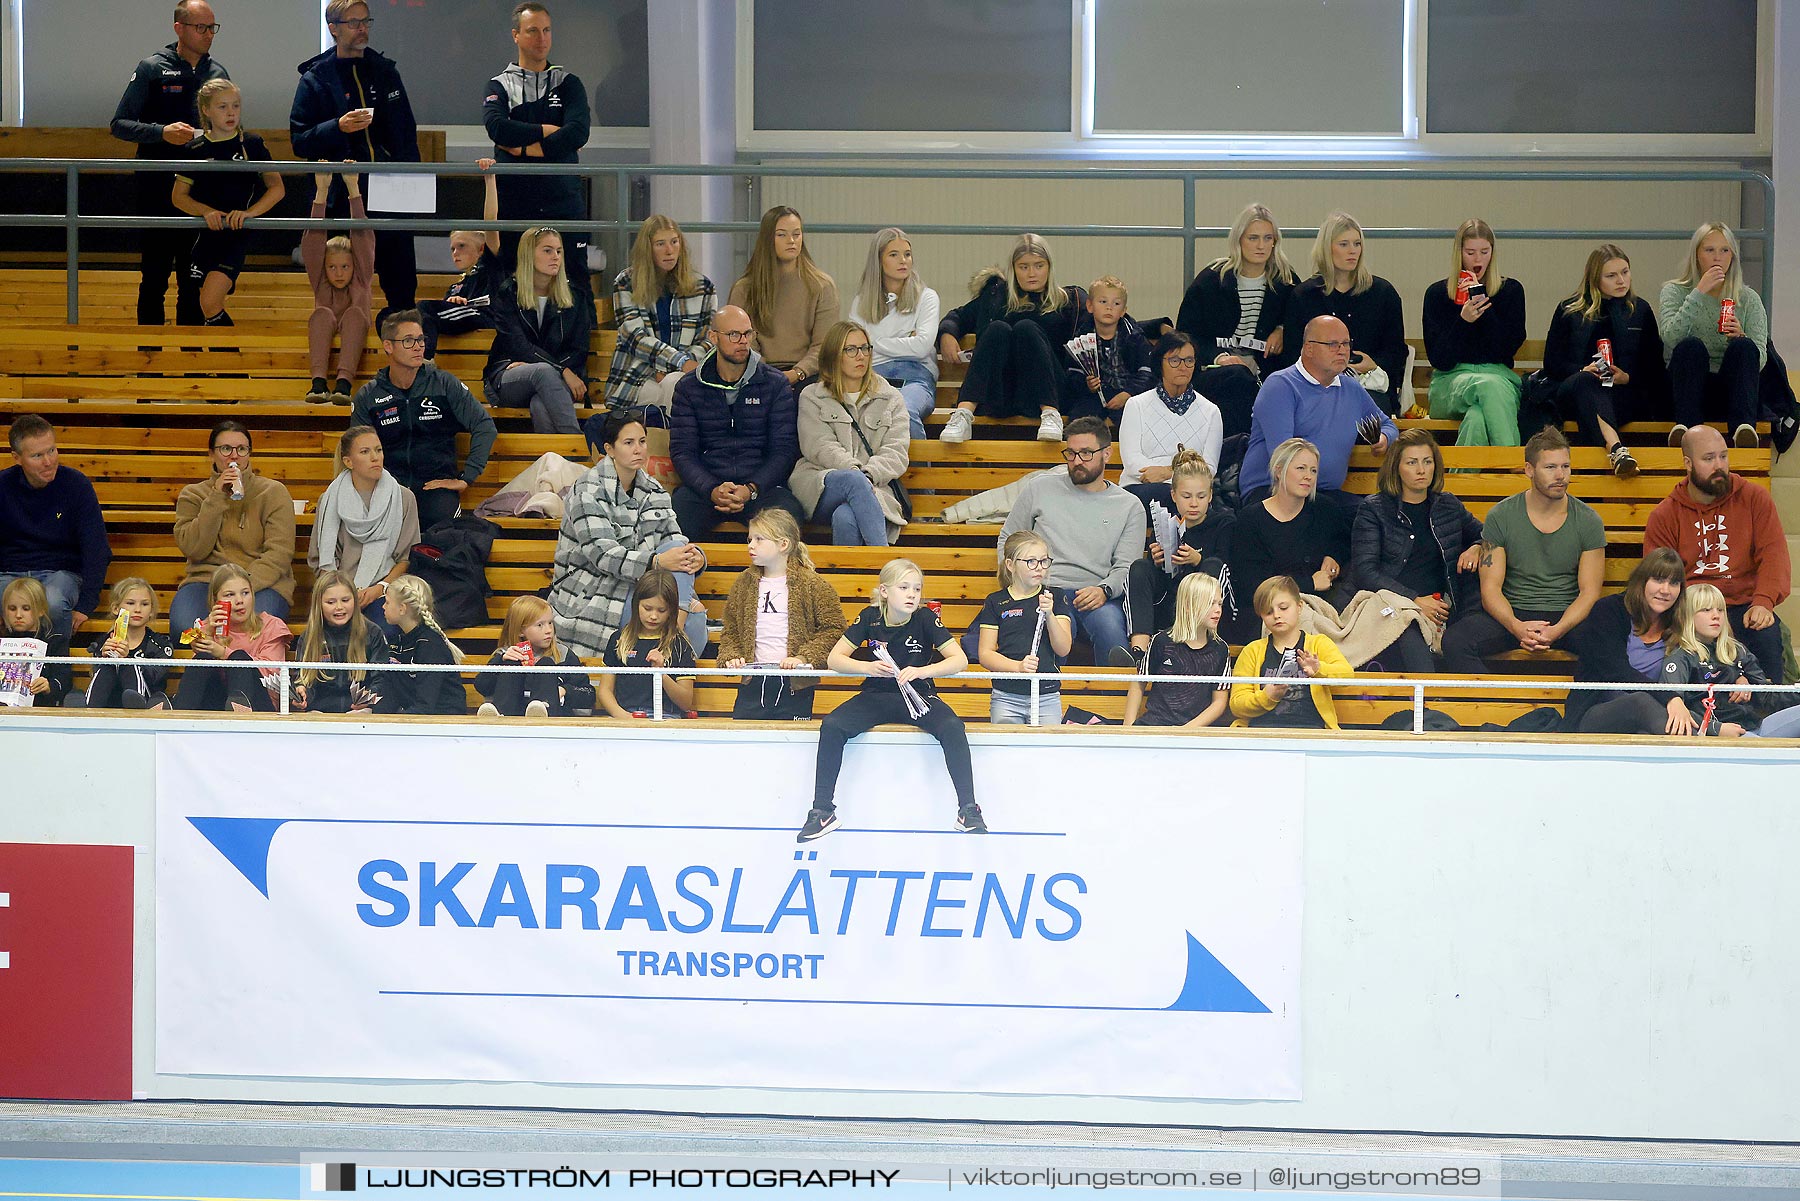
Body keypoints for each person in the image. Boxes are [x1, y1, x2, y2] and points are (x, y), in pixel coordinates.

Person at [800, 559, 986, 842]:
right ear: (885, 591)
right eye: (904, 587)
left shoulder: (925, 618)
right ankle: (823, 811)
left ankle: (968, 810)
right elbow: (834, 658)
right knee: (832, 725)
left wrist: (923, 671)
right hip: (877, 694)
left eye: (917, 588)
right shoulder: (870, 617)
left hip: (918, 696)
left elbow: (959, 660)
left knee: (952, 727)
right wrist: (867, 667)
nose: (912, 594)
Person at [290, 0, 422, 324]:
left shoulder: (385, 71)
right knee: (343, 280)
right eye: (353, 23)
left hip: (390, 187)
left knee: (401, 275)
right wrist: (338, 127)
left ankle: (404, 348)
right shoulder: (315, 79)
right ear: (333, 29)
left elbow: (407, 131)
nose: (362, 28)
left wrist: (411, 182)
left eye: (366, 21)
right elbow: (299, 140)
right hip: (343, 196)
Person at [1441, 427, 1605, 675]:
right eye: (1550, 467)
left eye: (1565, 467)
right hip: (1513, 613)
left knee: (1606, 646)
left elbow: (1589, 593)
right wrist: (1517, 627)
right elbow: (1490, 590)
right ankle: (1493, 707)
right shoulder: (1501, 515)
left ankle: (1580, 710)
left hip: (1566, 616)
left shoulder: (1589, 520)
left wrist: (1557, 630)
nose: (1560, 475)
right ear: (1529, 469)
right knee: (1455, 641)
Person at [551, 410, 708, 662]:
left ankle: (670, 651)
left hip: (642, 586)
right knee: (692, 615)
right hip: (593, 588)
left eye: (642, 441)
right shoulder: (587, 489)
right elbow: (602, 555)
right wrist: (656, 562)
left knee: (696, 617)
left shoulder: (655, 490)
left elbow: (674, 540)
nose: (639, 449)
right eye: (628, 443)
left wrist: (696, 558)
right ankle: (671, 643)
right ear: (609, 449)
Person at [1642, 424, 1790, 681]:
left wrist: (1764, 602)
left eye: (1723, 456)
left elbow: (1774, 555)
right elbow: (1660, 578)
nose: (1719, 465)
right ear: (1688, 463)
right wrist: (1700, 613)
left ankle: (1771, 715)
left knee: (1766, 633)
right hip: (1690, 608)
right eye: (1708, 459)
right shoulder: (1665, 515)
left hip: (1744, 605)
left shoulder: (1755, 498)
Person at [111, 0, 226, 325]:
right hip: (157, 190)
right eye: (200, 27)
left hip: (202, 192)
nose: (208, 35)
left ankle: (189, 365)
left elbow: (232, 124)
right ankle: (151, 366)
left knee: (193, 282)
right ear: (179, 28)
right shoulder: (152, 68)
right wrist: (162, 133)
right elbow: (120, 124)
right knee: (154, 280)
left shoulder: (217, 73)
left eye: (211, 28)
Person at [996, 416, 1144, 665]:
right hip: (1043, 590)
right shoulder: (1040, 488)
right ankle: (1045, 700)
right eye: (1071, 453)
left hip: (1098, 594)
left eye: (1086, 453)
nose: (1076, 461)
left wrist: (1105, 590)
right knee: (1047, 632)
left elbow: (1126, 567)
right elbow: (1008, 539)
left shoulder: (1130, 506)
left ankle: (1113, 702)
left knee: (1110, 631)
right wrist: (1020, 585)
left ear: (1107, 454)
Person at [484, 1, 594, 318]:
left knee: (576, 282)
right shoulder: (499, 85)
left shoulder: (568, 82)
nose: (542, 38)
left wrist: (527, 149)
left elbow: (577, 132)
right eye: (533, 31)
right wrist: (546, 130)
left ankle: (579, 359)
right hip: (516, 200)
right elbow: (497, 128)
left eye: (547, 31)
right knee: (513, 284)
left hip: (564, 199)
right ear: (516, 35)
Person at [1348, 429, 1485, 674]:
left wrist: (1476, 547)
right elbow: (1364, 571)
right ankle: (1429, 704)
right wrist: (1412, 599)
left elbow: (1486, 534)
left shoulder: (1448, 505)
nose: (1421, 470)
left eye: (1427, 461)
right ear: (1396, 468)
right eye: (1412, 462)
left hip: (1439, 606)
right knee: (1408, 630)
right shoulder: (1374, 509)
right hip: (1390, 605)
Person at [350, 310, 498, 530]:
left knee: (443, 540)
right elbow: (357, 447)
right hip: (389, 487)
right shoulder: (369, 396)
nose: (419, 346)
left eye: (420, 339)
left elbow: (485, 426)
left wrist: (466, 478)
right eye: (409, 341)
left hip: (436, 488)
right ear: (388, 346)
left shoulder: (444, 384)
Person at [936, 233, 1090, 443]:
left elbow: (1113, 320)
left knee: (1026, 328)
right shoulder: (996, 296)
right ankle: (963, 415)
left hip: (1046, 394)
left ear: (1049, 267)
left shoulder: (1068, 300)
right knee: (997, 328)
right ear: (1013, 269)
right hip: (1001, 396)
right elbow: (958, 316)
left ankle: (1050, 414)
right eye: (1024, 267)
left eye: (1038, 265)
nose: (1031, 273)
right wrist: (947, 333)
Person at [667, 305, 805, 540]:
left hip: (760, 488)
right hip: (706, 488)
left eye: (748, 334)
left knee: (788, 516)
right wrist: (711, 489)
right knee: (674, 519)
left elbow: (784, 450)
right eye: (734, 335)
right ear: (713, 337)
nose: (743, 341)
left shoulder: (774, 384)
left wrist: (751, 489)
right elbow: (683, 452)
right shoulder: (689, 387)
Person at [1239, 315, 1395, 513]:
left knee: (1373, 519)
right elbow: (1284, 458)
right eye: (1332, 344)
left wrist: (1383, 438)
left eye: (1346, 344)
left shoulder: (1352, 389)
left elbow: (1388, 425)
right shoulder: (1281, 386)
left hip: (1325, 493)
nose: (1342, 350)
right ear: (1309, 348)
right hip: (1273, 491)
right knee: (1326, 519)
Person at [1175, 203, 1298, 438]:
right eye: (1253, 238)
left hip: (1266, 370)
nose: (1261, 246)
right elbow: (1186, 336)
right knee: (1239, 381)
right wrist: (1219, 357)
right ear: (1239, 240)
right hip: (1215, 369)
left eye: (1267, 238)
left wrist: (1283, 328)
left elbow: (1302, 320)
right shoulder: (1212, 280)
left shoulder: (1286, 280)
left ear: (1275, 241)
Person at [1542, 244, 1665, 476]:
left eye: (1625, 272)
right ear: (1595, 278)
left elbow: (1654, 367)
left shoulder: (1640, 310)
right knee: (1587, 382)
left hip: (1621, 392)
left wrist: (1626, 377)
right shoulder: (1569, 309)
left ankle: (1612, 454)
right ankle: (1616, 448)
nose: (1621, 280)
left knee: (1596, 401)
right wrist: (1582, 369)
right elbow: (1552, 363)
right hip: (1575, 389)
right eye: (1611, 275)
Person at [171, 79, 284, 327]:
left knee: (210, 302)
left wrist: (250, 213)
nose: (231, 112)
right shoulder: (195, 148)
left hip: (234, 234)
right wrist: (206, 212)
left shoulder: (252, 145)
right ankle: (208, 364)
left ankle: (233, 366)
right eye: (222, 107)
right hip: (202, 236)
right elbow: (178, 196)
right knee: (193, 305)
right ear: (206, 110)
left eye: (235, 106)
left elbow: (277, 188)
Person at [717, 509, 845, 721]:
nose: (751, 545)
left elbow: (833, 629)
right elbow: (730, 631)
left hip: (795, 682)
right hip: (753, 679)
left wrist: (803, 657)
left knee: (792, 744)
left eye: (759, 539)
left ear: (783, 544)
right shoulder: (743, 583)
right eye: (750, 539)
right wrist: (732, 657)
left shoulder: (813, 584)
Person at [790, 321, 910, 547]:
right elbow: (819, 446)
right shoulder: (812, 396)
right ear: (834, 355)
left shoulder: (890, 398)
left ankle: (848, 579)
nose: (861, 356)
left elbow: (897, 451)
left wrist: (869, 474)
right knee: (852, 480)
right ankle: (886, 566)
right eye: (851, 350)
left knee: (845, 517)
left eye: (865, 348)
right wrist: (856, 472)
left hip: (876, 486)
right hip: (822, 484)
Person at [170, 422, 295, 638]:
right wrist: (216, 498)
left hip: (261, 582)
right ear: (212, 454)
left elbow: (279, 553)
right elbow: (194, 549)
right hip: (207, 582)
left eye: (242, 449)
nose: (234, 456)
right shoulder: (193, 495)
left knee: (250, 628)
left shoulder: (273, 492)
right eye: (226, 449)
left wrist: (241, 589)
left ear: (249, 453)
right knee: (185, 628)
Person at [1281, 211, 1408, 414]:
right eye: (1344, 244)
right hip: (1315, 388)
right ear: (1327, 248)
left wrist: (1372, 365)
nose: (1353, 251)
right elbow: (1293, 354)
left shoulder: (1383, 293)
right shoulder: (1304, 296)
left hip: (1369, 387)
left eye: (1357, 244)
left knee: (1363, 409)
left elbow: (1396, 352)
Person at [1659, 222, 1769, 450]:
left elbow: (1760, 358)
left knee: (1745, 346)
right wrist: (1698, 293)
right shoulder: (1674, 291)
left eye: (1725, 250)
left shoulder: (1748, 298)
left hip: (1732, 390)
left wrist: (1740, 335)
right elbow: (1669, 338)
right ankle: (1686, 429)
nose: (1717, 257)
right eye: (1709, 250)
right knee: (1691, 346)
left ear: (1733, 257)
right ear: (1697, 255)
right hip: (1687, 386)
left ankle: (1743, 430)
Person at [1227, 438, 1349, 645]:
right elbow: (1252, 584)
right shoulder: (1250, 519)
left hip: (1321, 606)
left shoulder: (1327, 510)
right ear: (1278, 471)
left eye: (1313, 471)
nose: (1308, 476)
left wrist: (1334, 557)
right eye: (1300, 468)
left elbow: (1345, 544)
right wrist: (1309, 583)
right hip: (1269, 612)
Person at [1121, 448, 1236, 665]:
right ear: (1173, 495)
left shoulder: (1225, 523)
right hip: (1169, 602)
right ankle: (1139, 651)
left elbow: (1229, 572)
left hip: (1214, 610)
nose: (1194, 503)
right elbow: (1153, 580)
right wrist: (1155, 561)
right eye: (1186, 496)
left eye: (1201, 496)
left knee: (1212, 566)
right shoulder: (1165, 523)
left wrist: (1198, 560)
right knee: (1140, 567)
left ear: (1210, 496)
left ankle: (1205, 646)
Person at [0, 415, 110, 640]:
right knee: (13, 602)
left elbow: (96, 549)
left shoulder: (76, 485)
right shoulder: (3, 486)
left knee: (53, 602)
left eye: (52, 451)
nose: (49, 461)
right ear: (16, 458)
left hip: (60, 573)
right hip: (9, 573)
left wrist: (86, 605)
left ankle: (57, 674)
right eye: (37, 455)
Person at [1422, 218, 1527, 446]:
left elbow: (1506, 349)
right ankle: (1513, 465)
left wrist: (1480, 301)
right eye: (1470, 252)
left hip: (1499, 378)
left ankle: (1460, 481)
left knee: (1477, 419)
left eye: (1484, 251)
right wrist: (1462, 322)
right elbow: (1440, 358)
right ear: (1459, 253)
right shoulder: (1437, 294)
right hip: (1450, 384)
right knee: (1488, 386)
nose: (1478, 259)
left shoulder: (1511, 291)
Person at [310, 425, 419, 635]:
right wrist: (344, 595)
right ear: (348, 461)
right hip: (338, 591)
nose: (375, 457)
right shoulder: (329, 500)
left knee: (383, 629)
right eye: (365, 452)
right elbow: (321, 561)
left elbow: (405, 559)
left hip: (384, 591)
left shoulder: (404, 498)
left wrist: (379, 588)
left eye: (378, 450)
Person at [1562, 549, 1685, 735]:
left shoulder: (1680, 622)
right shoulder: (1608, 611)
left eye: (1673, 583)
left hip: (1652, 716)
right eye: (1658, 580)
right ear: (1641, 581)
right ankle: (1703, 746)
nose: (1665, 590)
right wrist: (1670, 697)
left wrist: (1741, 675)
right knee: (1639, 702)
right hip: (1595, 711)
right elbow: (1616, 672)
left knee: (1647, 730)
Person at [604, 215, 717, 414]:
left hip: (684, 374)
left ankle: (669, 443)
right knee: (675, 390)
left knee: (676, 385)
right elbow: (635, 338)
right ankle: (677, 444)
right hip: (638, 376)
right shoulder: (626, 282)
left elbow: (708, 340)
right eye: (660, 244)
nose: (669, 250)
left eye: (674, 242)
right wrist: (678, 363)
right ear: (647, 249)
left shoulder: (703, 287)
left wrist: (674, 368)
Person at [484, 226, 591, 434]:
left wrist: (560, 371)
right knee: (543, 372)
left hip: (558, 382)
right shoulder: (509, 293)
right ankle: (579, 451)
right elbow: (517, 346)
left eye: (559, 251)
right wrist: (562, 370)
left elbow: (579, 348)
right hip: (509, 375)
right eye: (547, 250)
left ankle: (555, 464)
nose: (555, 257)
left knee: (541, 406)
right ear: (528, 255)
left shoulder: (575, 296)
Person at [729, 207, 840, 395]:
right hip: (757, 372)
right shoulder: (745, 288)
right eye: (782, 235)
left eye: (796, 234)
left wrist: (797, 373)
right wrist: (767, 374)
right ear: (767, 239)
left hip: (809, 375)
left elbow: (824, 345)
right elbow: (742, 341)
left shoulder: (822, 286)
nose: (791, 241)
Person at [1228, 575, 1354, 730]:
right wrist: (1267, 697)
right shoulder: (1252, 651)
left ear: (1299, 607)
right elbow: (1237, 705)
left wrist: (1319, 669)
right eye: (1268, 612)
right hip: (1261, 735)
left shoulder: (1319, 643)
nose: (1277, 615)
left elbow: (1347, 675)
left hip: (1313, 733)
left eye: (1283, 608)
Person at [976, 532, 1075, 725]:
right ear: (1010, 565)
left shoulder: (1055, 595)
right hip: (1006, 696)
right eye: (1031, 561)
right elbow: (985, 654)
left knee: (1047, 752)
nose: (1039, 568)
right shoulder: (995, 601)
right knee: (1007, 752)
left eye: (1044, 561)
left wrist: (1050, 615)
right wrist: (1018, 667)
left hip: (1046, 694)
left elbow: (1063, 648)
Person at [849, 227, 939, 439]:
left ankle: (920, 473)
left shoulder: (926, 297)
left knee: (903, 411)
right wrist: (905, 339)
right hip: (871, 377)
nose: (903, 261)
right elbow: (855, 350)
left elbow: (922, 347)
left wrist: (872, 342)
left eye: (907, 254)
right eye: (894, 255)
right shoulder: (861, 302)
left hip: (916, 377)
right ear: (878, 261)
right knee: (855, 414)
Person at [1117, 332, 1222, 513]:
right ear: (1160, 363)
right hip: (1139, 488)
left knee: (1194, 503)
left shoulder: (1211, 411)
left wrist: (1169, 472)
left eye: (1189, 360)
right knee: (1172, 496)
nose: (1183, 366)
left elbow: (1209, 468)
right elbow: (1132, 462)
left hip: (1190, 493)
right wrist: (1178, 478)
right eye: (1175, 360)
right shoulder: (1136, 405)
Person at [173, 562, 293, 713]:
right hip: (217, 703)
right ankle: (177, 714)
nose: (240, 601)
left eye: (245, 593)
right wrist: (207, 630)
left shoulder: (272, 626)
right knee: (204, 658)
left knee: (240, 658)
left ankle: (240, 714)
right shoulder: (208, 625)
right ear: (216, 600)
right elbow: (186, 640)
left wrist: (224, 653)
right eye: (230, 595)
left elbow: (271, 675)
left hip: (260, 706)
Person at [301, 168, 375, 403]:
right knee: (321, 313)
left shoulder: (361, 277)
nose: (339, 273)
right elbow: (313, 241)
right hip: (327, 321)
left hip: (356, 322)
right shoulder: (321, 279)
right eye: (332, 267)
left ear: (354, 266)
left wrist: (353, 189)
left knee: (354, 314)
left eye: (345, 267)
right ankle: (318, 384)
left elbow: (363, 237)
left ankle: (343, 385)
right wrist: (321, 191)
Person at [1123, 571, 1231, 730]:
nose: (1218, 610)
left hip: (1195, 732)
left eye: (1220, 603)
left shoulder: (1221, 649)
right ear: (1188, 606)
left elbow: (1219, 702)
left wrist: (1185, 731)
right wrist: (1128, 728)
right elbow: (1139, 683)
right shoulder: (1161, 641)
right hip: (1155, 725)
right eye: (1210, 603)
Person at [417, 160, 501, 360]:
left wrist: (490, 179)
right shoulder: (458, 284)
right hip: (461, 318)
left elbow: (491, 223)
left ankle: (425, 361)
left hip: (485, 317)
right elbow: (446, 308)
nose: (455, 253)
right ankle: (425, 359)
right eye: (453, 248)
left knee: (424, 308)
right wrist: (452, 301)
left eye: (462, 246)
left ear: (481, 249)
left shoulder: (490, 266)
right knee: (412, 315)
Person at [597, 568, 699, 720]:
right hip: (624, 716)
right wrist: (622, 716)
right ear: (636, 604)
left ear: (671, 610)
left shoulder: (679, 644)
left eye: (661, 610)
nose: (653, 616)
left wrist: (660, 673)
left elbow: (685, 702)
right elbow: (605, 690)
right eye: (647, 608)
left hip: (665, 717)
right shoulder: (619, 639)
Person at [474, 595, 594, 718]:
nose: (548, 630)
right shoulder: (505, 654)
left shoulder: (563, 655)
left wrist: (565, 691)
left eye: (550, 623)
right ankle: (501, 716)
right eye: (540, 625)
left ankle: (542, 712)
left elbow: (588, 694)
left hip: (551, 723)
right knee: (512, 664)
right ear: (521, 630)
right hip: (510, 724)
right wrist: (500, 662)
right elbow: (482, 686)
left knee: (545, 663)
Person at [292, 569, 388, 715]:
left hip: (360, 711)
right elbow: (302, 678)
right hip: (319, 711)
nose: (339, 607)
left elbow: (381, 679)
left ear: (354, 600)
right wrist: (301, 692)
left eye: (345, 600)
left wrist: (368, 700)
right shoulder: (309, 636)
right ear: (319, 605)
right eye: (331, 602)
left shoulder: (373, 633)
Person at [1063, 275, 1153, 425]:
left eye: (1116, 303)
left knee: (1136, 418)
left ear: (1123, 310)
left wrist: (1128, 394)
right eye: (1103, 302)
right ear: (1090, 306)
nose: (1109, 307)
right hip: (1093, 396)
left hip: (1129, 394)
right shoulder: (1080, 338)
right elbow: (1072, 374)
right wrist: (1087, 384)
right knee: (1079, 420)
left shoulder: (1135, 337)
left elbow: (1147, 374)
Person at [373, 574, 465, 715]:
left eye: (387, 602)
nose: (383, 607)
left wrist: (394, 723)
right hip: (416, 717)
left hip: (445, 723)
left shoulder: (430, 646)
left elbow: (426, 705)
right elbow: (391, 692)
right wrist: (371, 714)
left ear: (402, 609)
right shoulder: (397, 641)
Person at [82, 577, 175, 711]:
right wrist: (103, 658)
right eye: (131, 603)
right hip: (108, 703)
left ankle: (133, 705)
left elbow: (154, 678)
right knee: (108, 665)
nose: (137, 609)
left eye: (144, 604)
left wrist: (128, 660)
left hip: (147, 702)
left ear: (152, 610)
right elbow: (97, 676)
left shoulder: (161, 644)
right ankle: (86, 710)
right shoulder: (104, 642)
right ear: (115, 608)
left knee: (127, 665)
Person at [1, 578, 71, 708]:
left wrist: (49, 686)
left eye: (26, 608)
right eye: (12, 608)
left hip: (41, 709)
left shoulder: (55, 640)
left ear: (41, 610)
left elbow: (64, 679)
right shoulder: (2, 639)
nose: (18, 615)